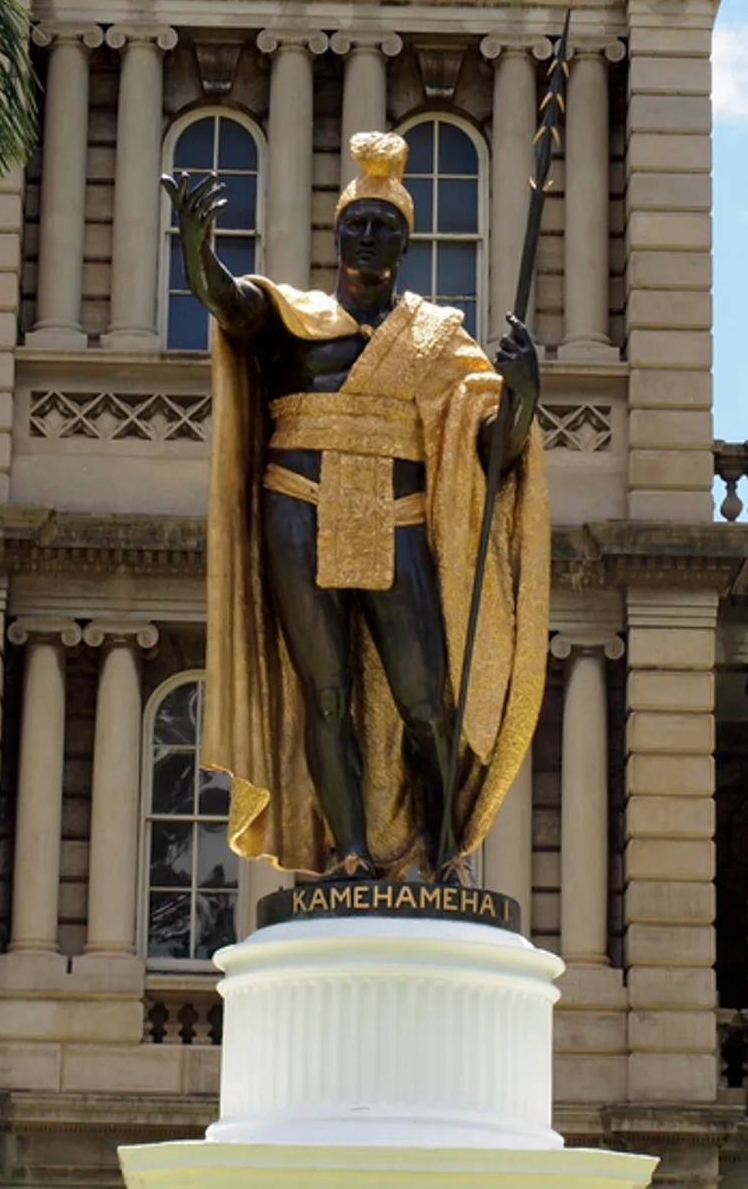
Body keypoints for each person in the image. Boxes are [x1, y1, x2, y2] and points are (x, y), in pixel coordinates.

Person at [165, 132, 549, 882]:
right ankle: (347, 853)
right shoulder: (296, 316)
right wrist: (197, 251)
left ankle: (442, 855)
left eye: (383, 227)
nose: (367, 236)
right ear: (337, 234)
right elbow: (229, 303)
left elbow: (492, 453)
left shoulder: (438, 339)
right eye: (356, 224)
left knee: (425, 703)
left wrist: (525, 392)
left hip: (396, 516)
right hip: (297, 510)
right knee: (328, 693)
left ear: (405, 243)